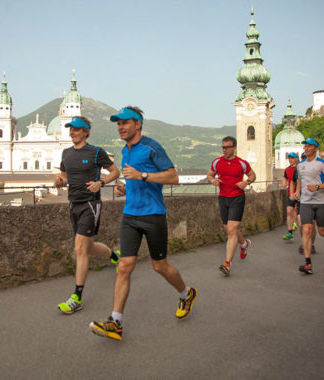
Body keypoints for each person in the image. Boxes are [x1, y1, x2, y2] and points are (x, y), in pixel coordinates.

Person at [89, 106, 197, 341]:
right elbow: (134, 179)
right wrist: (125, 187)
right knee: (124, 266)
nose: (120, 127)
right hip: (130, 215)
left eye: (125, 122)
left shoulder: (152, 147)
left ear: (138, 124)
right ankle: (115, 321)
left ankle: (186, 294)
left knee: (160, 266)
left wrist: (143, 176)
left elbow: (173, 177)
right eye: (118, 123)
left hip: (153, 215)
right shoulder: (124, 150)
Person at [55, 116, 121, 314]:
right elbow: (65, 176)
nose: (72, 132)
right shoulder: (66, 153)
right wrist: (59, 181)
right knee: (88, 246)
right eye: (71, 129)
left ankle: (77, 297)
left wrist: (101, 183)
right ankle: (115, 257)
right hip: (73, 203)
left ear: (86, 132)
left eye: (77, 129)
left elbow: (115, 171)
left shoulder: (95, 152)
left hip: (90, 205)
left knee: (80, 249)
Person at [207, 136, 256, 275]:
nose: (224, 150)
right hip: (223, 198)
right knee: (228, 229)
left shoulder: (242, 163)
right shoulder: (217, 162)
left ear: (234, 148)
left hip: (237, 198)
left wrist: (246, 182)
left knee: (231, 229)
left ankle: (227, 263)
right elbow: (210, 175)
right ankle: (244, 244)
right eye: (223, 147)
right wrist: (213, 181)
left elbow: (253, 175)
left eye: (227, 147)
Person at [293, 137, 324, 274]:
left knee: (321, 231)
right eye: (305, 146)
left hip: (320, 202)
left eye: (309, 146)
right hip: (306, 202)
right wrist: (296, 192)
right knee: (306, 229)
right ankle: (308, 263)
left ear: (315, 149)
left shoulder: (322, 164)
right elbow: (300, 181)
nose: (306, 148)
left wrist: (318, 187)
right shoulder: (300, 165)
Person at [290, 153, 316, 255]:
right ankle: (304, 242)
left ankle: (311, 243)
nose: (305, 160)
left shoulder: (317, 167)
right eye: (303, 158)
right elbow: (293, 181)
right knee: (301, 223)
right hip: (302, 200)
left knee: (312, 225)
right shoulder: (299, 169)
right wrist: (293, 193)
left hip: (314, 199)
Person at [283, 153, 299, 241]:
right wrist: (284, 182)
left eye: (292, 158)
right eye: (289, 158)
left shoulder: (300, 168)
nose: (290, 160)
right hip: (290, 192)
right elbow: (285, 177)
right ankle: (290, 232)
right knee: (289, 212)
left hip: (300, 193)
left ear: (296, 159)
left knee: (299, 213)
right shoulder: (287, 169)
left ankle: (305, 233)